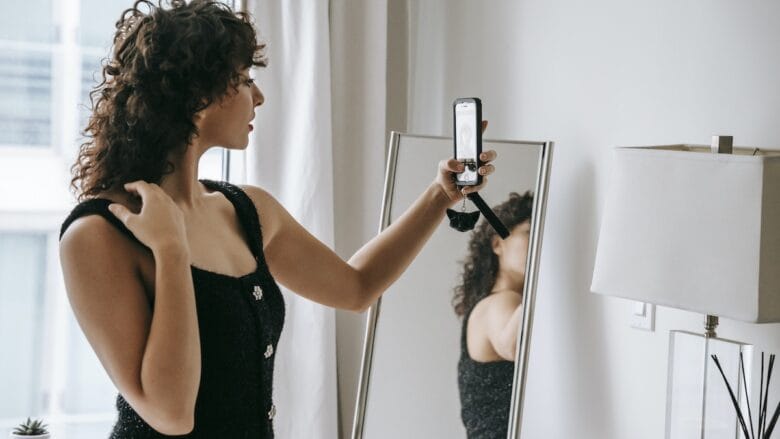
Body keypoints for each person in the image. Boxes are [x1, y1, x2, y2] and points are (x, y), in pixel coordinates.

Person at [57, 1, 496, 437]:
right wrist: (171, 251)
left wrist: (440, 194)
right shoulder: (98, 233)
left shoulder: (248, 209)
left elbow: (356, 287)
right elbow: (171, 413)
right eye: (246, 80)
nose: (259, 97)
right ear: (199, 96)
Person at [453, 191, 534, 439]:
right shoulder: (501, 302)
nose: (540, 243)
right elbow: (514, 345)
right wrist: (545, 270)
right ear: (497, 244)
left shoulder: (496, 302)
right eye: (530, 234)